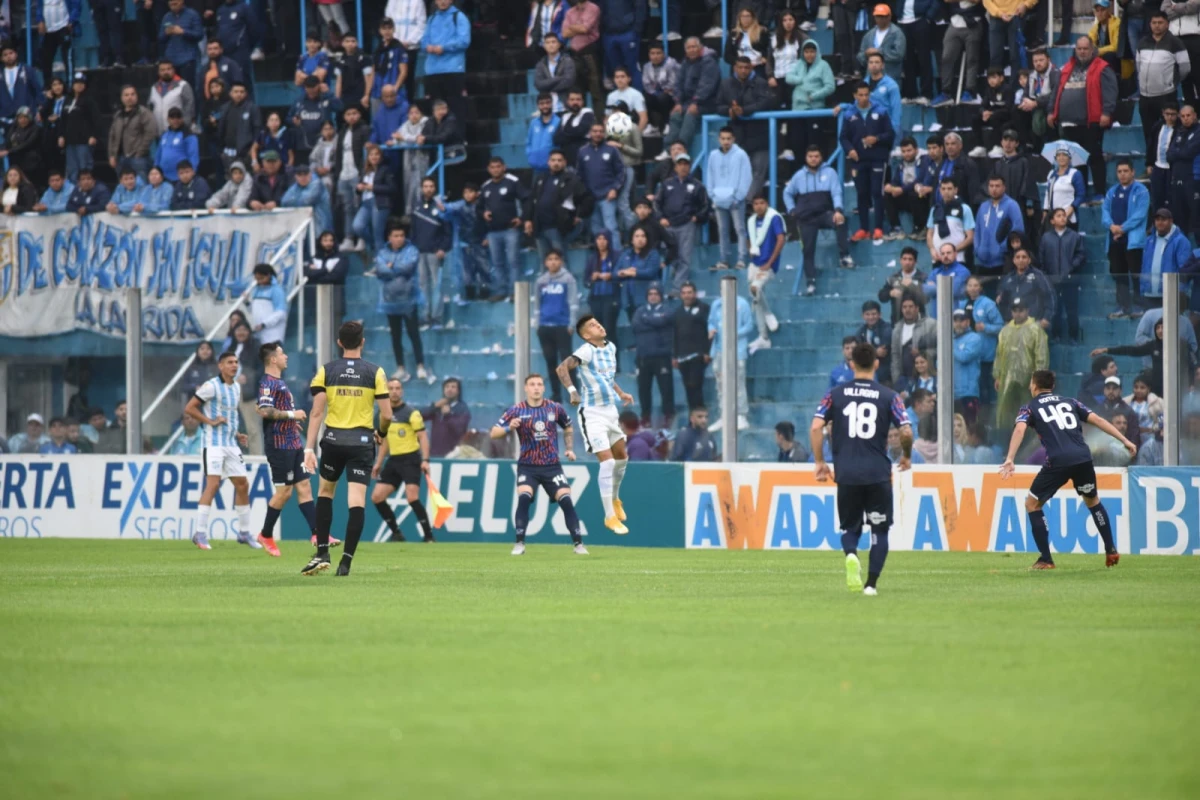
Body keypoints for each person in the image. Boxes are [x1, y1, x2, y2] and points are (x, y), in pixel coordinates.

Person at [999, 369, 1134, 569]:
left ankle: (1046, 559)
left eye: (1030, 383)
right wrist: (1124, 440)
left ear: (1034, 385)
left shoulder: (1029, 408)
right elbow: (1098, 420)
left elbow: (1019, 429)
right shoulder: (1071, 402)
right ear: (1052, 387)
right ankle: (1111, 549)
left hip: (1058, 460)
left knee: (1032, 504)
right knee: (1093, 501)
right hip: (1083, 458)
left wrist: (1010, 458)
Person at [811, 341, 912, 595]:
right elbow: (906, 430)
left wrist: (820, 462)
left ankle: (851, 554)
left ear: (852, 364)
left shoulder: (834, 394)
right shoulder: (889, 396)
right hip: (877, 473)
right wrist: (907, 455)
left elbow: (815, 427)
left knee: (850, 528)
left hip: (846, 473)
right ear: (876, 364)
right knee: (879, 530)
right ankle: (871, 585)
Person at [301, 321, 391, 576]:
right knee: (356, 502)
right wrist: (381, 433)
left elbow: (317, 412)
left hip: (332, 441)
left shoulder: (325, 371)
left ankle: (322, 553)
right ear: (363, 341)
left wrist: (308, 449)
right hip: (361, 443)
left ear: (339, 342)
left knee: (326, 494)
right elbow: (387, 414)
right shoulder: (375, 372)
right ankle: (346, 563)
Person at [555, 313, 635, 534]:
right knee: (607, 463)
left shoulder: (611, 347)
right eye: (592, 325)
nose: (598, 325)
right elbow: (561, 368)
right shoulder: (586, 350)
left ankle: (616, 499)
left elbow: (607, 377)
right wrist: (572, 391)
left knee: (622, 457)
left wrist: (621, 393)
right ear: (586, 335)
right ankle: (609, 517)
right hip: (592, 414)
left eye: (598, 322)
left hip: (610, 410)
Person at [490, 374, 586, 555]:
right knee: (524, 497)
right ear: (525, 388)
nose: (536, 388)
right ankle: (519, 544)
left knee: (566, 499)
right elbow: (493, 433)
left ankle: (578, 544)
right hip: (528, 465)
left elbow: (568, 426)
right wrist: (509, 428)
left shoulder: (555, 408)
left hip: (552, 465)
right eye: (532, 384)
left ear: (544, 388)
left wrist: (570, 448)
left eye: (539, 384)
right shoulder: (516, 410)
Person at [253, 341, 321, 556]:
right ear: (273, 359)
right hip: (279, 445)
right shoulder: (268, 383)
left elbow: (275, 410)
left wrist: (291, 423)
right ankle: (265, 534)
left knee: (304, 487)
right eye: (282, 354)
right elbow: (264, 410)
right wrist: (293, 415)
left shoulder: (279, 382)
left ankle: (317, 534)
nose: (286, 357)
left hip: (293, 442)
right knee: (284, 493)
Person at [184, 350, 255, 551]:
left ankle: (244, 532)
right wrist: (210, 422)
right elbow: (190, 408)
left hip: (231, 444)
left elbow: (230, 416)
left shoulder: (236, 388)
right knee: (213, 485)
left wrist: (238, 434)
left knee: (242, 484)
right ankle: (200, 533)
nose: (234, 365)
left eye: (236, 362)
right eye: (230, 362)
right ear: (221, 366)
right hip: (213, 444)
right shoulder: (211, 386)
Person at [1047, 37, 1117, 200]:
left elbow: (1110, 92)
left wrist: (1107, 112)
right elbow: (1056, 91)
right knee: (1077, 161)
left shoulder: (1102, 67)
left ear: (1092, 49)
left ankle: (1100, 191)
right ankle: (1082, 192)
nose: (1082, 52)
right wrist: (1051, 111)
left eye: (1085, 48)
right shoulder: (1067, 67)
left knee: (1094, 156)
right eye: (1079, 48)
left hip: (1091, 122)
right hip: (1069, 123)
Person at [783, 146, 853, 295]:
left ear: (821, 157)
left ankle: (844, 256)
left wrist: (838, 210)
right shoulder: (798, 176)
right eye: (810, 156)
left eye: (816, 156)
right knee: (808, 250)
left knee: (841, 221)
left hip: (825, 213)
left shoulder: (830, 172)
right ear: (806, 158)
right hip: (806, 218)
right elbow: (787, 193)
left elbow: (836, 192)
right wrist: (792, 209)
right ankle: (811, 282)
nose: (813, 159)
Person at [372, 378, 435, 544]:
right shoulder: (382, 414)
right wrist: (378, 462)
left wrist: (425, 459)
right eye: (391, 388)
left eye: (397, 388)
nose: (394, 391)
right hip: (393, 460)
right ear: (386, 391)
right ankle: (396, 533)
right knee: (377, 497)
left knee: (412, 498)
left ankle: (428, 536)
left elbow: (423, 437)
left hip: (410, 458)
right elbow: (384, 441)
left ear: (402, 391)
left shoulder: (410, 413)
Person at [841, 82, 893, 242]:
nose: (864, 98)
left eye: (866, 94)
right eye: (861, 95)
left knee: (877, 193)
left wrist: (876, 138)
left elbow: (890, 134)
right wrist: (850, 150)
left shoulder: (881, 111)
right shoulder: (849, 114)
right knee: (862, 193)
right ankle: (864, 229)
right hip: (858, 160)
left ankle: (878, 228)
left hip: (878, 159)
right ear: (855, 96)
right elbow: (843, 137)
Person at [374, 226, 427, 382]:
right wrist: (392, 269)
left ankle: (420, 365)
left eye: (402, 235)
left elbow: (408, 267)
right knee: (395, 335)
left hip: (409, 298)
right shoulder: (383, 253)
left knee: (413, 333)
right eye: (395, 235)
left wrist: (391, 267)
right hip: (390, 301)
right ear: (389, 237)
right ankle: (400, 367)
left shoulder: (412, 250)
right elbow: (380, 269)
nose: (399, 238)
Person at [716, 57, 771, 201]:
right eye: (740, 67)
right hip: (738, 137)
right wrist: (729, 111)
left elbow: (765, 103)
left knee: (758, 172)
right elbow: (718, 105)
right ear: (735, 67)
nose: (743, 70)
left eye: (746, 67)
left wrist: (744, 111)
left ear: (751, 68)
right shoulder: (726, 83)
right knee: (736, 172)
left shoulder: (761, 83)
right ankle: (739, 202)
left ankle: (744, 202)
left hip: (759, 137)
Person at [653, 152, 709, 294]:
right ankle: (676, 274)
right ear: (675, 167)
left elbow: (705, 205)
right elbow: (656, 203)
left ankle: (677, 288)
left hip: (686, 224)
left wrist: (697, 217)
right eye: (680, 164)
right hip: (668, 224)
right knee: (669, 253)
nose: (683, 167)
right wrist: (660, 218)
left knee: (684, 257)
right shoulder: (666, 184)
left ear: (689, 167)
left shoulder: (697, 185)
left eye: (686, 164)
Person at [1137, 12, 1190, 161]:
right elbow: (1138, 65)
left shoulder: (1175, 43)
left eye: (1160, 22)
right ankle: (1151, 164)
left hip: (1165, 95)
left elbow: (1185, 67)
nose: (1157, 26)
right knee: (1148, 132)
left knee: (1168, 130)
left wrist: (1171, 82)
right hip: (1145, 96)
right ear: (1150, 24)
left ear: (1167, 24)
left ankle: (1169, 162)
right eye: (1154, 22)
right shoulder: (1143, 42)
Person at [1103, 159, 1151, 319]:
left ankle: (1139, 305)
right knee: (1119, 274)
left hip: (1133, 241)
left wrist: (1121, 229)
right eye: (1119, 171)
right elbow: (1104, 213)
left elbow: (1140, 215)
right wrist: (1112, 227)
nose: (1122, 174)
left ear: (1133, 172)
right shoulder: (1112, 191)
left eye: (1125, 171)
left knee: (1136, 274)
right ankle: (1123, 306)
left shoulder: (1141, 191)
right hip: (1114, 240)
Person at [524, 149, 593, 259]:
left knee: (560, 261)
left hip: (558, 227)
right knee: (544, 261)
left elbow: (587, 199)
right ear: (548, 162)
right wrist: (528, 219)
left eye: (559, 160)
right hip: (540, 226)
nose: (556, 163)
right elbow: (532, 199)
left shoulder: (572, 179)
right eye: (553, 160)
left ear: (564, 162)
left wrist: (579, 215)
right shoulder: (541, 178)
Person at [995, 298, 1050, 426]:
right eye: (1015, 310)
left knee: (1028, 410)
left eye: (1021, 310)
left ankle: (1028, 436)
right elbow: (999, 355)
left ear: (1027, 311)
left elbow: (1041, 355)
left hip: (1028, 379)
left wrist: (1038, 378)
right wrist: (997, 376)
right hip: (1007, 378)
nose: (1018, 313)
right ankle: (1007, 435)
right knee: (1007, 411)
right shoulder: (1005, 330)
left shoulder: (1035, 330)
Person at [535, 249, 580, 404]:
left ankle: (573, 391)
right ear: (546, 262)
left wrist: (572, 323)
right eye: (550, 259)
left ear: (561, 261)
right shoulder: (541, 281)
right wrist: (537, 324)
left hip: (562, 325)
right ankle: (556, 394)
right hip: (545, 326)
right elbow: (537, 305)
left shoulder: (568, 279)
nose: (553, 262)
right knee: (550, 361)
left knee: (566, 361)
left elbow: (573, 302)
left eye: (556, 259)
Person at [480, 157, 528, 302]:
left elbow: (527, 199)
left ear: (504, 167)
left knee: (513, 261)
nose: (495, 170)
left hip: (510, 229)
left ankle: (515, 292)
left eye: (498, 166)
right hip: (493, 232)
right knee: (497, 263)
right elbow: (479, 208)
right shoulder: (486, 186)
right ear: (489, 169)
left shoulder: (513, 182)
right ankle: (501, 291)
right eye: (492, 167)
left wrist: (522, 218)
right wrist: (483, 213)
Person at [705, 126, 751, 271]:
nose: (725, 141)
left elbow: (746, 177)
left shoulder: (741, 155)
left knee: (739, 229)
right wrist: (712, 195)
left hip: (736, 200)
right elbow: (709, 176)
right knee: (722, 230)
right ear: (719, 139)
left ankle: (742, 259)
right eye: (723, 138)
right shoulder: (713, 155)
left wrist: (738, 197)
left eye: (728, 138)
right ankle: (724, 260)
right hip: (719, 199)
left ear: (733, 139)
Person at [707, 291, 754, 432]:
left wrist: (733, 333)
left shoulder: (742, 304)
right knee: (720, 383)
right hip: (719, 350)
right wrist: (711, 330)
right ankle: (724, 414)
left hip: (736, 349)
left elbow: (749, 325)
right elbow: (711, 322)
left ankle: (741, 415)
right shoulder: (716, 304)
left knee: (738, 382)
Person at [1038, 207, 1086, 341]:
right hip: (1052, 281)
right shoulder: (1046, 238)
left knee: (1072, 310)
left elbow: (1081, 255)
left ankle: (1073, 336)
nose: (1062, 218)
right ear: (1052, 221)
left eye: (1064, 215)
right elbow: (1041, 259)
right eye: (1058, 216)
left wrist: (1072, 266)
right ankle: (1056, 335)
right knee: (1055, 310)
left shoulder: (1074, 236)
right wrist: (1046, 275)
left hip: (1070, 280)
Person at [421, 0, 472, 124]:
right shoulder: (432, 19)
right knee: (435, 108)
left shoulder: (459, 17)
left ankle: (458, 140)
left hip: (453, 69)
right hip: (433, 70)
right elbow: (423, 40)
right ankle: (438, 139)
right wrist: (428, 47)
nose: (443, 1)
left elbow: (464, 41)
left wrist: (444, 48)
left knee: (455, 107)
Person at [745, 193, 785, 353]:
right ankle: (764, 337)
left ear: (766, 203)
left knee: (755, 289)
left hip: (767, 265)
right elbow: (748, 238)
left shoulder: (774, 218)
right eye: (756, 203)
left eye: (762, 203)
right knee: (755, 297)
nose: (759, 206)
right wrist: (750, 250)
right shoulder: (751, 221)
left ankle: (769, 313)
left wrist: (770, 263)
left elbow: (781, 239)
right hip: (754, 263)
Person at [631, 282, 675, 426]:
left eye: (656, 294)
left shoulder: (667, 310)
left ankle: (668, 415)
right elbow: (636, 325)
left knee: (666, 388)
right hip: (643, 356)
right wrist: (656, 322)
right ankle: (645, 417)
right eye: (650, 294)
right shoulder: (639, 311)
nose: (653, 297)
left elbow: (665, 320)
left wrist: (649, 321)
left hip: (662, 356)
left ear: (661, 296)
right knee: (644, 389)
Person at [784, 39, 835, 160]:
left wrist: (814, 96)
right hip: (798, 110)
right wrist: (800, 79)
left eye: (812, 51)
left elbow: (830, 86)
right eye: (806, 52)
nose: (809, 55)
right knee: (798, 143)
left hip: (815, 110)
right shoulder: (798, 64)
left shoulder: (823, 65)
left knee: (815, 142)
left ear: (816, 52)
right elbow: (788, 77)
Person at [666, 37, 721, 150]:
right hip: (688, 102)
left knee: (690, 114)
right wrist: (678, 102)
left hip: (708, 102)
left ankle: (681, 147)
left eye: (694, 47)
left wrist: (696, 101)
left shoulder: (709, 62)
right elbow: (678, 84)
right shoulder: (685, 63)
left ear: (700, 47)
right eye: (689, 48)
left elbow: (707, 86)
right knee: (675, 114)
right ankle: (668, 149)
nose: (691, 50)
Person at [1092, 320, 1171, 397]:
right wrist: (1107, 350)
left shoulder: (1179, 345)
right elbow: (1132, 350)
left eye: (1163, 327)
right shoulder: (1153, 345)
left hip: (1173, 386)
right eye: (1158, 328)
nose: (1160, 331)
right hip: (1157, 389)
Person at [933, 0, 986, 105]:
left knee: (972, 60)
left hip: (973, 22)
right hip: (955, 23)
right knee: (946, 58)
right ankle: (946, 92)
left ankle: (969, 91)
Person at [884, 137, 936, 241]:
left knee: (914, 194)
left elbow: (920, 179)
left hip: (922, 197)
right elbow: (896, 180)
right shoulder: (901, 164)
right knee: (887, 195)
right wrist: (891, 187)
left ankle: (920, 228)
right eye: (903, 151)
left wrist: (902, 189)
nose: (906, 154)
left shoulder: (924, 160)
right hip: (907, 195)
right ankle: (896, 228)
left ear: (916, 150)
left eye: (909, 150)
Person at [975, 175, 1026, 282]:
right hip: (982, 261)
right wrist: (977, 249)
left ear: (1004, 187)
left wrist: (1003, 248)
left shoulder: (1012, 205)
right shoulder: (983, 206)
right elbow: (977, 231)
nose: (994, 189)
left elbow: (1018, 230)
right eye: (991, 186)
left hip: (1001, 262)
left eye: (997, 186)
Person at [1142, 208, 1191, 305]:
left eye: (1163, 220)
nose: (1160, 223)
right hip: (1150, 294)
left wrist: (1179, 292)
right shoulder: (1149, 241)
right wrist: (1144, 288)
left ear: (1171, 221)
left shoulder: (1181, 241)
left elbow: (1184, 270)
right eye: (1157, 220)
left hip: (1171, 294)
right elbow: (1144, 266)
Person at [674, 281, 710, 412]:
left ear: (694, 293)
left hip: (698, 355)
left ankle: (700, 416)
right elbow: (675, 335)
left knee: (696, 386)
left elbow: (709, 331)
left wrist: (707, 352)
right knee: (688, 388)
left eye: (689, 292)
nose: (687, 295)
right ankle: (693, 418)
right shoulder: (677, 312)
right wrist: (675, 356)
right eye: (684, 293)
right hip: (683, 356)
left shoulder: (704, 308)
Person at [107, 85, 155, 181]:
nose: (130, 97)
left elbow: (151, 133)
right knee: (124, 187)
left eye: (132, 94)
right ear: (122, 98)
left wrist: (139, 153)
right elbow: (112, 136)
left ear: (137, 96)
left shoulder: (144, 113)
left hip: (138, 158)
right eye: (126, 95)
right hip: (120, 159)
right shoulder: (118, 115)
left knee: (141, 186)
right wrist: (112, 155)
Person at [996, 247, 1055, 325]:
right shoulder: (1008, 278)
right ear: (1014, 260)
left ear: (1029, 260)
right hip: (1013, 323)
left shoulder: (1038, 276)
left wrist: (1046, 318)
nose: (1021, 260)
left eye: (1024, 257)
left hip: (1034, 322)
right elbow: (1002, 301)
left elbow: (1049, 297)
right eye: (1018, 257)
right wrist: (1005, 319)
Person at [351, 144, 392, 252]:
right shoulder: (365, 170)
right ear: (368, 157)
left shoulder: (386, 169)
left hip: (379, 203)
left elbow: (392, 188)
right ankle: (375, 246)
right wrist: (359, 188)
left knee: (378, 234)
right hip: (366, 202)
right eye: (371, 155)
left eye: (377, 154)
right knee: (357, 226)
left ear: (381, 156)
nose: (374, 157)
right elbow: (360, 187)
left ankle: (381, 262)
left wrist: (373, 187)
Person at [60, 72, 99, 182]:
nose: (79, 85)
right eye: (77, 83)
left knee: (84, 168)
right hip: (70, 142)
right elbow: (63, 119)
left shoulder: (89, 100)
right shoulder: (67, 100)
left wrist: (93, 135)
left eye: (82, 83)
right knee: (72, 169)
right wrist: (61, 135)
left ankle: (86, 190)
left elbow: (96, 120)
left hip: (84, 141)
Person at [891, 296, 937, 386]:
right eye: (904, 307)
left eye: (911, 306)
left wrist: (922, 352)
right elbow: (895, 355)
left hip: (926, 379)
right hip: (905, 379)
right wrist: (896, 379)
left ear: (917, 308)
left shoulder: (931, 324)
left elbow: (942, 348)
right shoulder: (897, 328)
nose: (907, 310)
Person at [160, 0, 203, 92]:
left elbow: (199, 34)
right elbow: (160, 38)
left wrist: (183, 32)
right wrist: (166, 33)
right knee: (172, 91)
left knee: (188, 90)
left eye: (175, 1)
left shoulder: (192, 14)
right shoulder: (166, 17)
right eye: (171, 2)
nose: (172, 3)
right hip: (171, 60)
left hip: (188, 59)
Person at [422, 378, 471, 457]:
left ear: (458, 391)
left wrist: (448, 415)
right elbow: (419, 417)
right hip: (435, 453)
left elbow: (460, 429)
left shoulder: (463, 408)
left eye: (453, 387)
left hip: (454, 454)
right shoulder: (438, 407)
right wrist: (434, 406)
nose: (449, 389)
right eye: (447, 387)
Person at [877, 247, 928, 322]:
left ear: (915, 262)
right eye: (904, 259)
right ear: (900, 260)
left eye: (910, 259)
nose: (907, 262)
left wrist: (914, 286)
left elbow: (927, 298)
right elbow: (881, 296)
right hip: (898, 321)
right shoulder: (893, 278)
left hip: (918, 322)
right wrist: (890, 293)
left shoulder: (923, 278)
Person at [952, 309, 984, 421]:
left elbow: (964, 357)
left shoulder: (975, 338)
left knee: (970, 427)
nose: (958, 323)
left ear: (968, 322)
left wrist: (949, 345)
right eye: (955, 320)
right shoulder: (950, 339)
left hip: (968, 392)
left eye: (961, 320)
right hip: (952, 393)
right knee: (954, 428)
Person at [858, 5, 906, 81]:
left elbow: (899, 54)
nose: (879, 19)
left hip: (890, 78)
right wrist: (866, 54)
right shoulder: (869, 34)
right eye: (877, 16)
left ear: (889, 17)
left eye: (882, 16)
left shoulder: (897, 33)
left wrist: (879, 52)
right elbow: (860, 56)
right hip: (871, 78)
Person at [282, 164, 332, 234]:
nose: (303, 177)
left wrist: (295, 198)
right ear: (296, 177)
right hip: (305, 227)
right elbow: (284, 201)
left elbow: (306, 201)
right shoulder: (296, 186)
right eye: (300, 175)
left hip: (321, 225)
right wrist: (299, 199)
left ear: (310, 174)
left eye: (305, 174)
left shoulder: (317, 183)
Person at [924, 242, 971, 316]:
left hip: (954, 316)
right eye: (943, 254)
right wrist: (947, 285)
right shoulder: (935, 272)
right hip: (935, 315)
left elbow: (953, 291)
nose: (945, 256)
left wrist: (935, 286)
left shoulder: (963, 271)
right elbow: (927, 291)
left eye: (948, 253)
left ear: (955, 254)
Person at [642, 42, 679, 136]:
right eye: (652, 53)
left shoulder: (671, 64)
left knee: (663, 97)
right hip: (656, 94)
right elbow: (646, 84)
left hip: (671, 96)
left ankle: (667, 124)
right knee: (645, 97)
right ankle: (652, 125)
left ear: (663, 53)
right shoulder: (647, 66)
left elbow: (673, 82)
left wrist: (662, 91)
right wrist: (655, 92)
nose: (655, 56)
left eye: (658, 53)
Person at [554, 90, 596, 166]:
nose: (575, 102)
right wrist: (575, 136)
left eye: (578, 99)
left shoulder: (587, 112)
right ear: (567, 101)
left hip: (584, 159)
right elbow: (557, 138)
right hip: (567, 160)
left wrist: (566, 133)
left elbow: (580, 131)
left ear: (582, 101)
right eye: (572, 100)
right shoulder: (565, 116)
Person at [527, 93, 560, 177]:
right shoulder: (533, 123)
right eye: (542, 103)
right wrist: (530, 156)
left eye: (547, 103)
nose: (545, 106)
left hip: (552, 168)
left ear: (552, 103)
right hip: (536, 168)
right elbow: (529, 141)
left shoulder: (559, 121)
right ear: (538, 105)